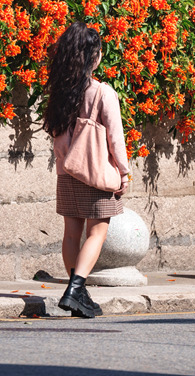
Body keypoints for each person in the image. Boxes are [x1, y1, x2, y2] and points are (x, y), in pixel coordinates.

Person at [44, 22, 131, 318]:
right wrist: (124, 171)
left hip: (67, 172)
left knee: (71, 234)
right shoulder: (102, 93)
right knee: (97, 233)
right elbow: (115, 138)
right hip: (95, 173)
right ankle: (74, 289)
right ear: (93, 56)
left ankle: (78, 294)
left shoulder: (60, 93)